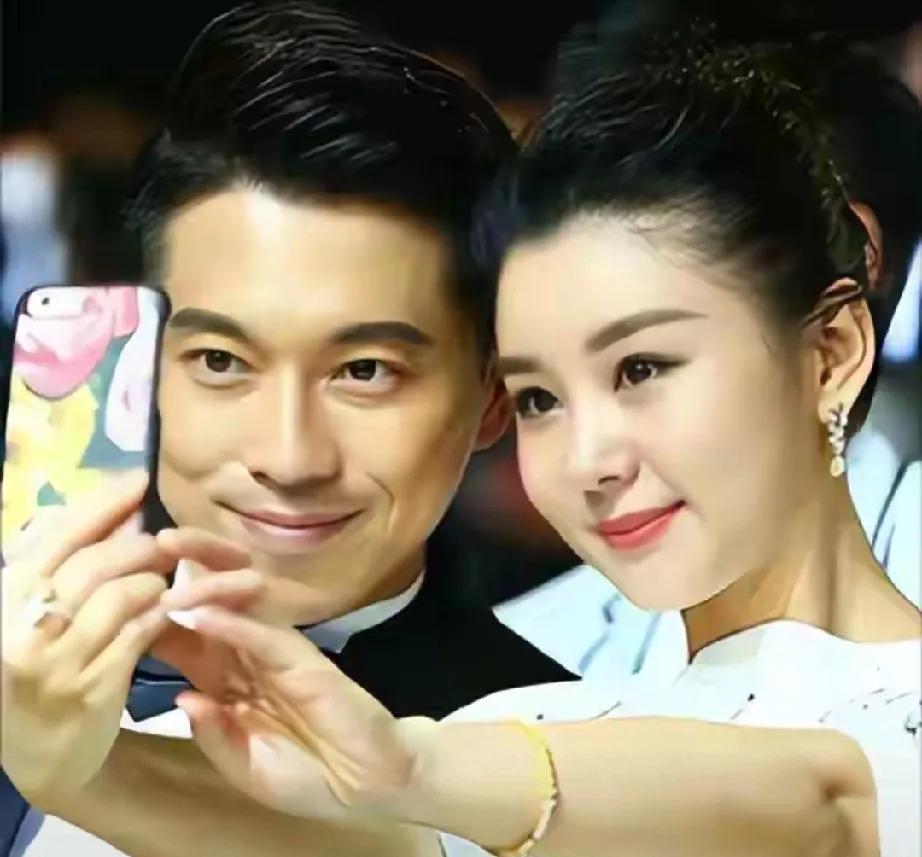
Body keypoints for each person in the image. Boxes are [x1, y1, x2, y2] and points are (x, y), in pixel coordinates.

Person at [104, 8, 921, 857]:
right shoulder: (534, 718)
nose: (588, 460)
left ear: (832, 351)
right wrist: (72, 759)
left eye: (642, 368)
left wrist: (409, 769)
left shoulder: (499, 752)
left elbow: (823, 798)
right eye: (539, 399)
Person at [0, 3, 576, 855]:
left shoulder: (562, 749)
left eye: (365, 371)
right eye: (222, 361)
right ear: (144, 368)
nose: (288, 455)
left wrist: (72, 768)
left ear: (493, 397)